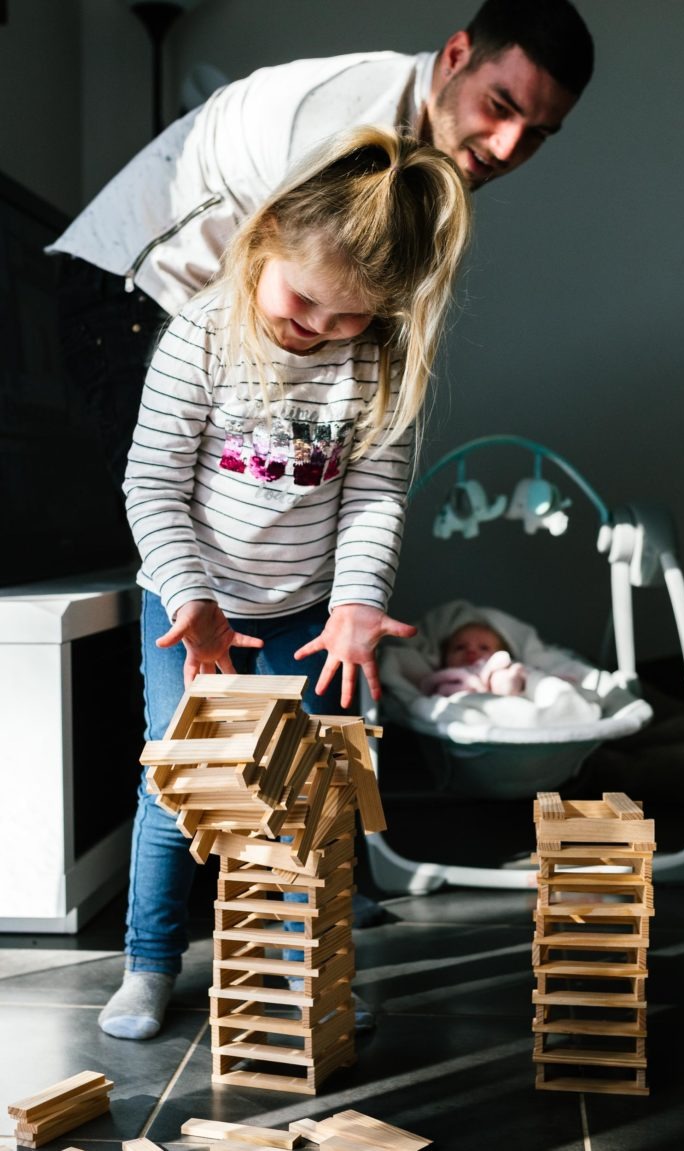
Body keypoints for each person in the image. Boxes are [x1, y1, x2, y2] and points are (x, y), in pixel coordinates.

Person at [96, 125, 472, 1041]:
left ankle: (301, 963)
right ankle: (150, 961)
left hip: (306, 608)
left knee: (306, 791)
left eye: (350, 317)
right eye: (306, 303)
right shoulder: (201, 335)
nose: (321, 330)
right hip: (194, 606)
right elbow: (151, 482)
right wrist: (194, 604)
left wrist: (355, 604)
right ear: (264, 240)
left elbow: (377, 496)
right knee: (174, 783)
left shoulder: (377, 358)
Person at [50, 0, 594, 488]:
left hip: (213, 310)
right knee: (176, 530)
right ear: (456, 54)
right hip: (129, 286)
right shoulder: (348, 122)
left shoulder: (424, 168)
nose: (507, 146)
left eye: (538, 133)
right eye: (500, 105)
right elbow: (290, 306)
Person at [420, 620, 529, 697]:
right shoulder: (446, 678)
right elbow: (428, 685)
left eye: (484, 648)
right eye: (460, 647)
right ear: (445, 657)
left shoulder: (499, 668)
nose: (471, 651)